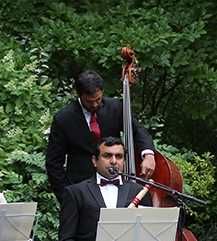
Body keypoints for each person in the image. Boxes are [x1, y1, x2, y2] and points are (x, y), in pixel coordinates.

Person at [45, 70, 157, 204]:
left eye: (98, 99)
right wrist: (66, 196)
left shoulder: (115, 107)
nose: (94, 105)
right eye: (89, 101)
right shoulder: (63, 119)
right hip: (81, 191)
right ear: (78, 94)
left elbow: (137, 130)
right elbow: (53, 163)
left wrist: (148, 154)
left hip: (116, 186)